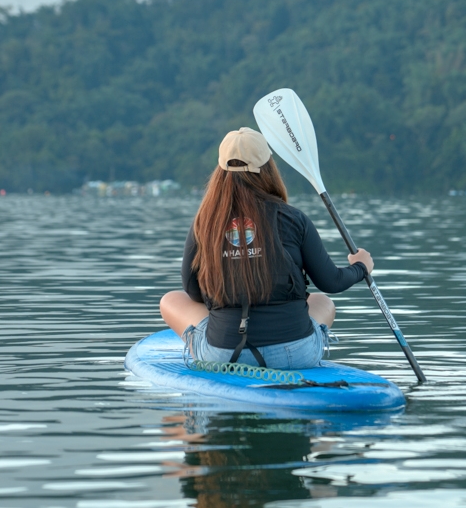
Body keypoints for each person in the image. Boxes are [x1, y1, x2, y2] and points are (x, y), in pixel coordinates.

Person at [159, 126, 374, 369]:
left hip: (222, 357)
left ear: (220, 171)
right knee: (322, 301)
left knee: (171, 299)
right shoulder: (294, 219)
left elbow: (193, 291)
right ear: (268, 169)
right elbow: (332, 282)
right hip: (295, 356)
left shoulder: (204, 223)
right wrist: (361, 267)